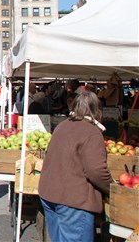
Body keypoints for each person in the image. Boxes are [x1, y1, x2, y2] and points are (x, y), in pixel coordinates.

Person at [38, 91, 112, 241]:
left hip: (50, 194)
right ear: (97, 109)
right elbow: (96, 171)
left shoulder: (62, 126)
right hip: (73, 201)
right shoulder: (92, 133)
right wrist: (112, 188)